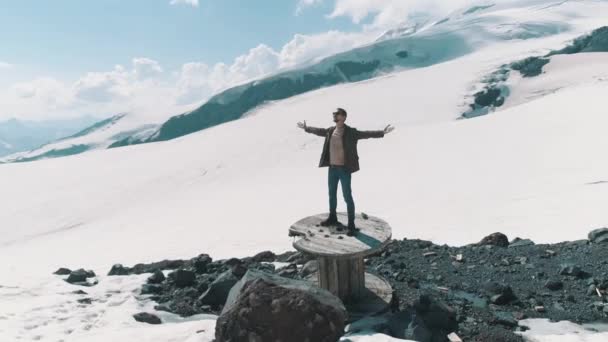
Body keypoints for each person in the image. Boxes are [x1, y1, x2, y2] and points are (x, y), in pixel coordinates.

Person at [297, 107, 394, 236]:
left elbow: (366, 134)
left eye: (336, 114)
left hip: (344, 169)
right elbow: (319, 131)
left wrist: (382, 132)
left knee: (347, 197)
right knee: (331, 194)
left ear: (343, 117)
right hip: (332, 169)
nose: (334, 116)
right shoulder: (331, 130)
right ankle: (333, 218)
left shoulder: (351, 132)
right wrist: (306, 128)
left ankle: (351, 225)